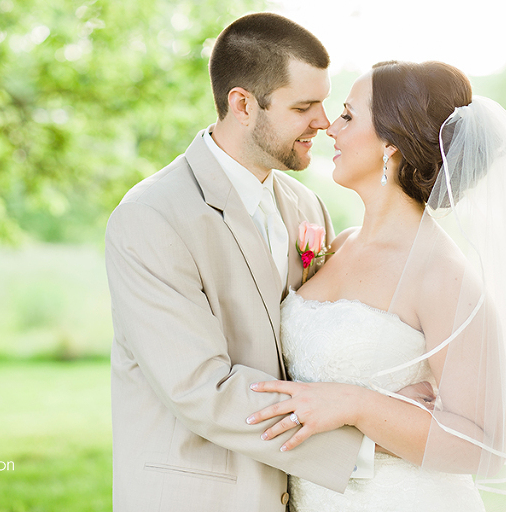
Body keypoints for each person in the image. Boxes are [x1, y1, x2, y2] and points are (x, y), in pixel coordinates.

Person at [247, 60, 506, 511]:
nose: (330, 127)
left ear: (390, 143)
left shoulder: (442, 273)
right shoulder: (342, 244)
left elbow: (485, 445)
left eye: (348, 115)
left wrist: (360, 404)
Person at [105, 13, 376, 512]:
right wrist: (368, 442)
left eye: (325, 102)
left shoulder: (306, 207)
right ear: (243, 105)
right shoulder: (151, 217)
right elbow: (199, 388)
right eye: (303, 106)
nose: (323, 121)